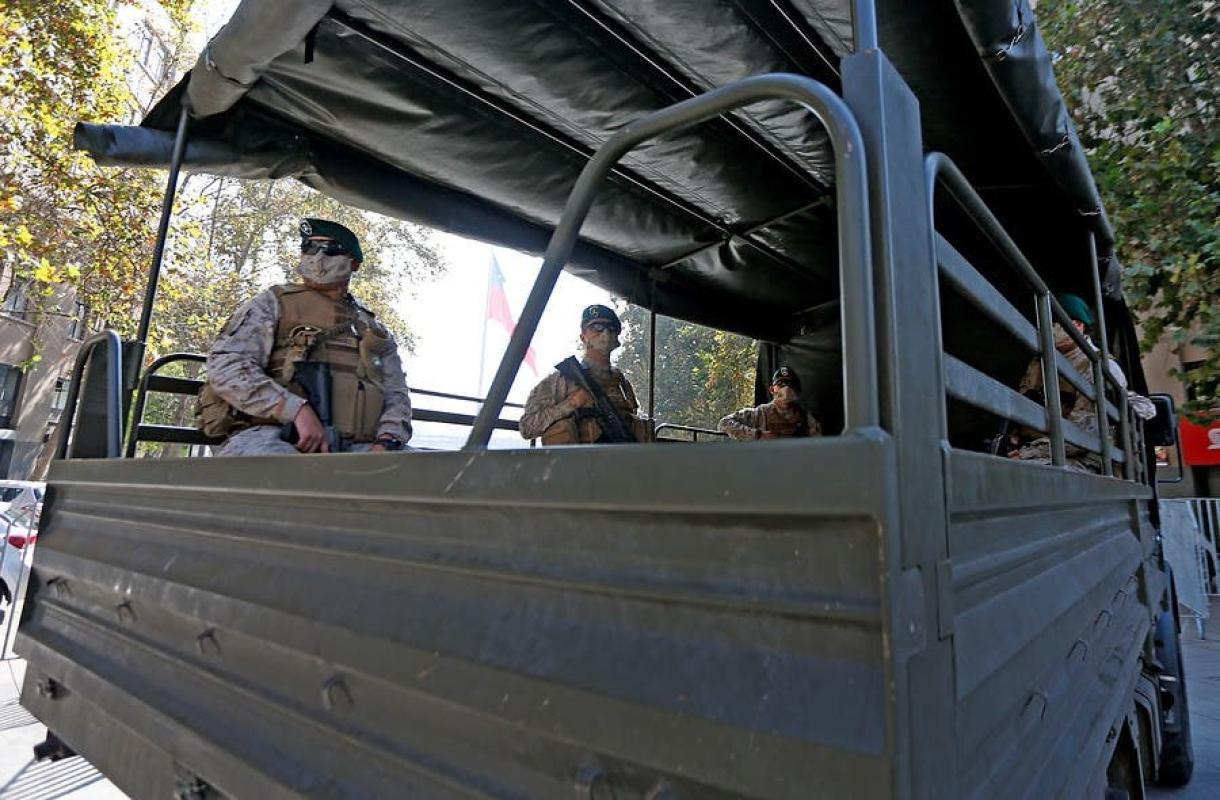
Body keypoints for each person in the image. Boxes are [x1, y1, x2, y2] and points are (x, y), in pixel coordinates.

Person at [197, 218, 412, 455]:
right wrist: (295, 409)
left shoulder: (373, 330)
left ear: (354, 263)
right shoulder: (272, 303)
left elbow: (396, 393)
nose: (318, 257)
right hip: (274, 436)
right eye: (310, 248)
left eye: (331, 249)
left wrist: (388, 441)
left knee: (425, 468)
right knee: (279, 467)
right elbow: (227, 366)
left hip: (357, 448)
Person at [1007, 293, 1153, 470]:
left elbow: (1082, 436)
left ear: (1077, 325)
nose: (1046, 330)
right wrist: (1014, 437)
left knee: (1017, 471)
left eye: (1053, 324)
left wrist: (1027, 453)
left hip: (1088, 459)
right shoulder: (1039, 362)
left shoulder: (1099, 367)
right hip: (1043, 449)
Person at [519, 304, 650, 444]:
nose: (605, 333)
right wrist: (571, 404)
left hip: (621, 455)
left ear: (617, 341)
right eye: (596, 327)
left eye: (611, 328)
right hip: (580, 457)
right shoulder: (560, 381)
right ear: (583, 336)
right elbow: (527, 428)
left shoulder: (621, 383)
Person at [718, 366, 822, 440]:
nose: (786, 388)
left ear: (797, 390)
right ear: (772, 390)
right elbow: (724, 423)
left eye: (790, 384)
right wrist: (757, 435)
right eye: (781, 384)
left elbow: (817, 445)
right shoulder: (760, 413)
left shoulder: (805, 417)